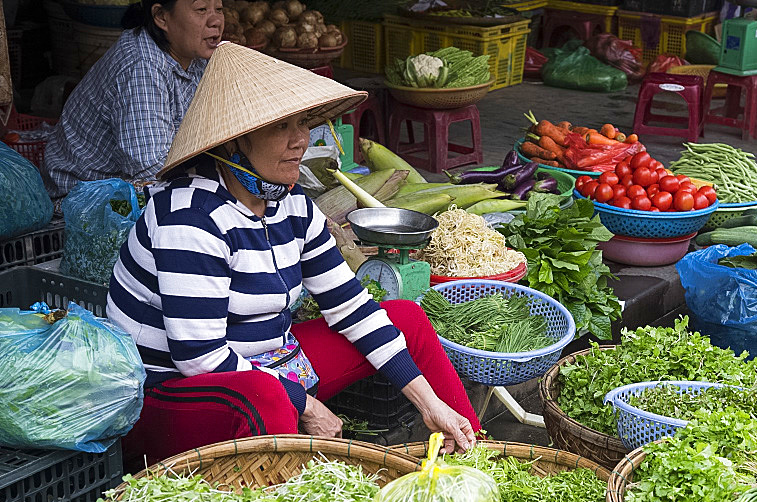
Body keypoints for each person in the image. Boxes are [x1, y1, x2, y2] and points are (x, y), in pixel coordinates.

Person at [106, 43, 481, 472]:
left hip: (269, 364)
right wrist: (305, 403)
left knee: (404, 320)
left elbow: (352, 308)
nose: (301, 139)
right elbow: (199, 356)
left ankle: (473, 454)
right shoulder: (189, 217)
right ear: (236, 142)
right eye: (281, 126)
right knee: (267, 400)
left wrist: (429, 403)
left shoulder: (294, 207)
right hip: (170, 395)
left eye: (302, 123)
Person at [42, 0, 223, 198]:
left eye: (219, 9)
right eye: (201, 10)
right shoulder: (142, 64)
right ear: (162, 17)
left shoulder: (194, 54)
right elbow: (152, 169)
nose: (215, 20)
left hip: (133, 181)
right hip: (80, 197)